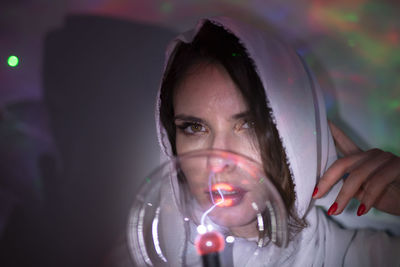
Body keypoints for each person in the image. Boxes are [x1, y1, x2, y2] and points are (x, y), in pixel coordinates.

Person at [139, 16, 400, 266]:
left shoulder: (369, 258)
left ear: (293, 136)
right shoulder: (137, 255)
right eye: (195, 127)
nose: (218, 161)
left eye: (250, 125)